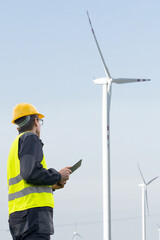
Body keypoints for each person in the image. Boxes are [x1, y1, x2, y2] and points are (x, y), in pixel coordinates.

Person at [7, 103, 71, 240]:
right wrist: (58, 175)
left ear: (17, 126)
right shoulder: (30, 138)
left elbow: (25, 181)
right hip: (33, 217)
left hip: (19, 217)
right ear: (36, 121)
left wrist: (51, 186)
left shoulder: (16, 144)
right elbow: (30, 173)